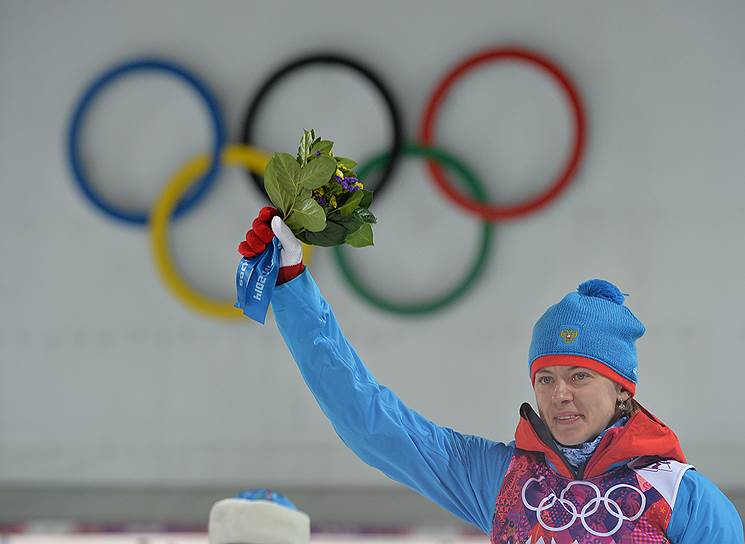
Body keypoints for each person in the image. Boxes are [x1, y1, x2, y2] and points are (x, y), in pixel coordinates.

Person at [238, 207, 744, 543]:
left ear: (621, 390)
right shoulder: (504, 480)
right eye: (545, 379)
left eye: (579, 376)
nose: (560, 394)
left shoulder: (682, 495)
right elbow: (369, 421)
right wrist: (289, 283)